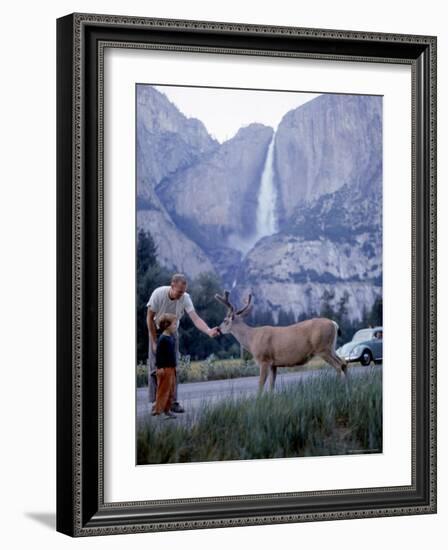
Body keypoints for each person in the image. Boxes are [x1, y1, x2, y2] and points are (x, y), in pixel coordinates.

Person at [146, 273, 220, 412]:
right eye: (179, 292)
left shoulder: (185, 298)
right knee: (155, 369)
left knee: (173, 368)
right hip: (156, 331)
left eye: (184, 291)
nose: (181, 294)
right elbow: (149, 318)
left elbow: (196, 319)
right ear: (172, 285)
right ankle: (156, 402)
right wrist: (154, 342)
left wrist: (209, 331)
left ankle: (173, 402)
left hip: (173, 333)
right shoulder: (158, 294)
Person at [152, 313, 178, 419]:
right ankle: (159, 411)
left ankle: (167, 410)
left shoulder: (171, 338)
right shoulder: (162, 339)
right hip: (164, 369)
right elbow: (159, 355)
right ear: (167, 325)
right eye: (175, 324)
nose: (176, 326)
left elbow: (171, 355)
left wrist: (175, 366)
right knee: (163, 391)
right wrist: (160, 368)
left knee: (170, 391)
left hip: (171, 369)